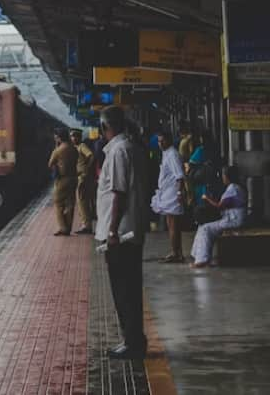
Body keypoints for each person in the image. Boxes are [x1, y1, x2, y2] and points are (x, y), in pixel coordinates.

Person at [95, 106, 148, 360]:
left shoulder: (118, 152)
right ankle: (136, 339)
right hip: (132, 229)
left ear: (106, 127)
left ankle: (132, 342)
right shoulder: (132, 148)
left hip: (121, 233)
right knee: (131, 287)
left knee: (123, 288)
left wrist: (113, 230)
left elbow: (118, 193)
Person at [190, 166, 247, 268]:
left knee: (206, 229)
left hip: (233, 220)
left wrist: (207, 198)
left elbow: (219, 206)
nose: (222, 178)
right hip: (231, 218)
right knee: (202, 226)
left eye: (223, 175)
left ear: (227, 177)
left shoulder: (233, 188)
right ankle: (196, 255)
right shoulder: (235, 187)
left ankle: (202, 260)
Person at [151, 131, 186, 262]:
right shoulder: (166, 153)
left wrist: (179, 193)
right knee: (172, 224)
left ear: (169, 140)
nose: (160, 144)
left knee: (173, 225)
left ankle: (175, 253)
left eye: (163, 141)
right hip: (167, 192)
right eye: (159, 141)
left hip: (172, 193)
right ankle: (178, 253)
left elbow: (180, 176)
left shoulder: (172, 154)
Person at [47, 127, 78, 236]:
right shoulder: (74, 148)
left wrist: (56, 147)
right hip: (74, 178)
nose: (55, 138)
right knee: (70, 203)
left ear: (59, 137)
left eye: (56, 137)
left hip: (62, 180)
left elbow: (50, 164)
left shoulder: (58, 150)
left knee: (58, 203)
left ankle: (63, 228)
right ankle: (68, 228)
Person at [71, 129, 94, 234]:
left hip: (82, 176)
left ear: (79, 137)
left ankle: (87, 226)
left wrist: (87, 168)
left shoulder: (82, 146)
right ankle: (85, 224)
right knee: (80, 201)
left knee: (82, 201)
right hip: (78, 177)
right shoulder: (75, 147)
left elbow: (91, 156)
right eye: (72, 136)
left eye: (75, 136)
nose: (73, 138)